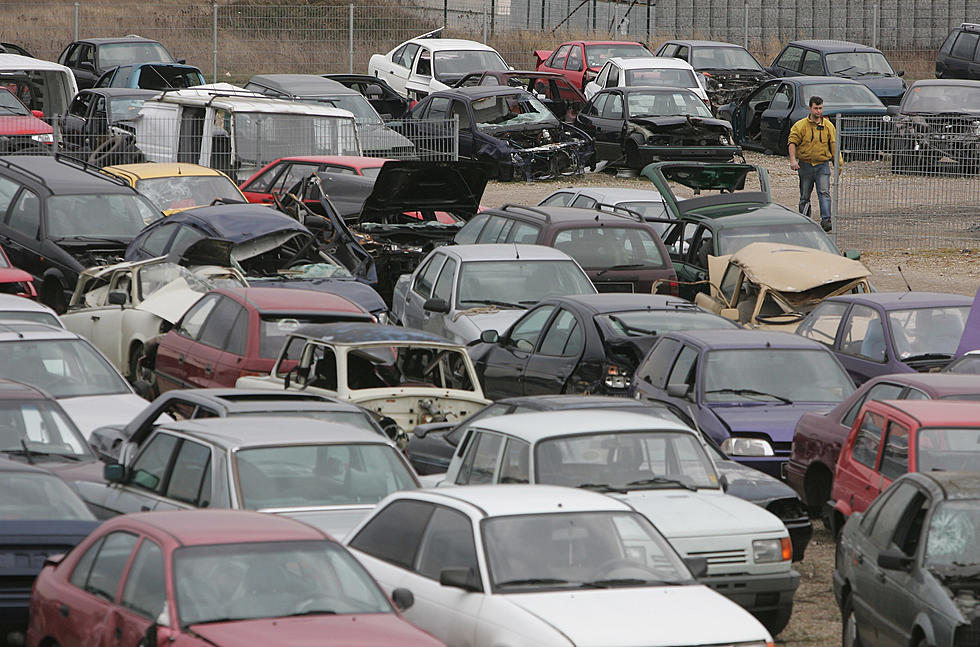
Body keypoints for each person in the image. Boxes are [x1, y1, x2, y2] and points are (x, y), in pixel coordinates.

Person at [788, 95, 843, 232]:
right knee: (805, 195)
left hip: (822, 165)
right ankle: (805, 220)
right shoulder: (800, 126)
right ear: (810, 108)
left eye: (820, 108)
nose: (818, 111)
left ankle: (826, 220)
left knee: (824, 192)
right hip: (805, 165)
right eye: (816, 108)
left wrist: (838, 164)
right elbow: (792, 142)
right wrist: (793, 160)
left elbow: (834, 145)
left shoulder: (828, 126)